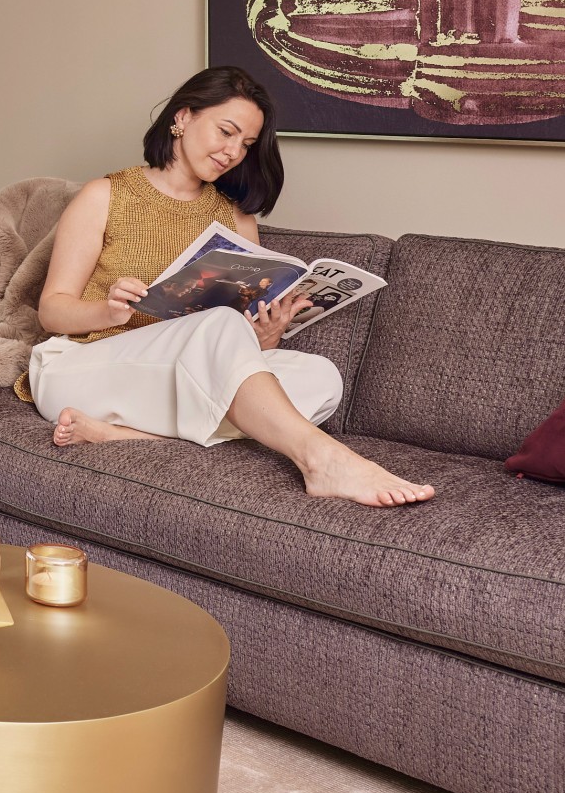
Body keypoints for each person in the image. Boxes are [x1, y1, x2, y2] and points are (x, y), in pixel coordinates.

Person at [33, 66, 434, 507]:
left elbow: (234, 339)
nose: (232, 152)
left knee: (321, 378)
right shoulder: (106, 195)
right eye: (226, 132)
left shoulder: (236, 218)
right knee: (221, 326)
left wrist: (265, 334)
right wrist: (107, 311)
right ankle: (322, 459)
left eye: (245, 145)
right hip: (87, 368)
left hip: (173, 383)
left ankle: (129, 435)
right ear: (183, 118)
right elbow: (52, 310)